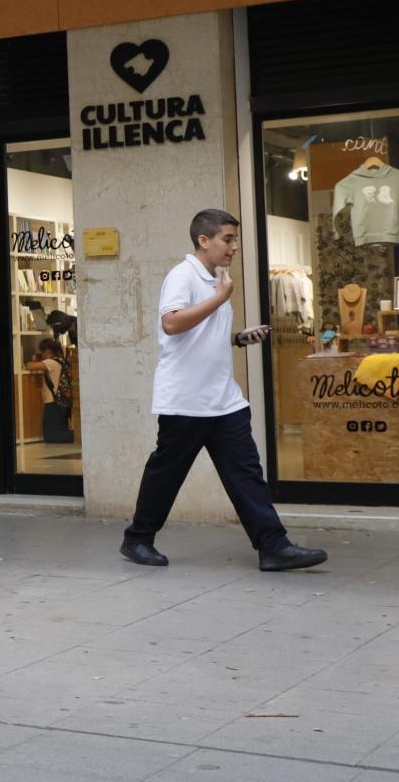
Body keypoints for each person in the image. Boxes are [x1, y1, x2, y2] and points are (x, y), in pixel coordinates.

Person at [122, 208, 328, 572]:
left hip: (224, 401)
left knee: (246, 474)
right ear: (204, 240)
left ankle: (273, 546)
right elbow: (171, 324)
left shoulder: (215, 278)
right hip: (186, 401)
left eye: (235, 239)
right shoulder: (182, 276)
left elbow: (200, 334)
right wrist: (219, 299)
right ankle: (137, 538)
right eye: (227, 239)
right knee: (165, 475)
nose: (234, 247)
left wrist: (236, 338)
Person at [25, 338, 76, 444]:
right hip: (63, 402)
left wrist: (29, 362)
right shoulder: (63, 361)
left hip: (53, 403)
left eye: (42, 352)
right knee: (59, 430)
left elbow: (30, 366)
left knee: (50, 436)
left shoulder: (51, 362)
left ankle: (78, 434)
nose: (42, 355)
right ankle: (76, 434)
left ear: (48, 351)